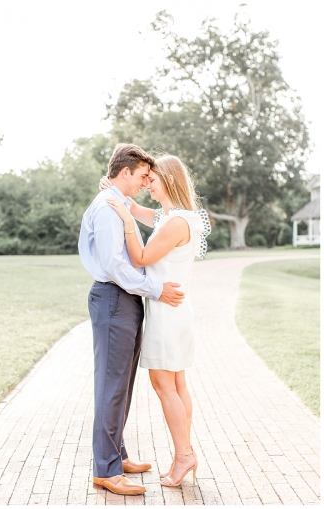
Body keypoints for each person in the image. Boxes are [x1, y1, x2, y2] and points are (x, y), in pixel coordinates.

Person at [78, 143, 185, 496]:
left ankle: (116, 454)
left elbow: (140, 216)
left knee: (121, 385)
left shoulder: (119, 203)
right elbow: (116, 266)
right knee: (111, 386)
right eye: (141, 176)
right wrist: (155, 289)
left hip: (125, 301)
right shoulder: (109, 209)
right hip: (114, 299)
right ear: (125, 173)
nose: (144, 183)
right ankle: (106, 469)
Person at [103, 154, 211, 488]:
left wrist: (125, 220)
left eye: (152, 179)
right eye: (145, 178)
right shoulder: (174, 217)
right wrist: (118, 194)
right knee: (177, 385)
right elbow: (138, 210)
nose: (147, 184)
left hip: (167, 313)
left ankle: (184, 456)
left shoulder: (176, 223)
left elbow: (141, 257)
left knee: (165, 386)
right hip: (174, 311)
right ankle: (184, 453)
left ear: (169, 180)